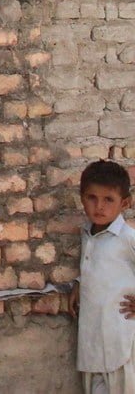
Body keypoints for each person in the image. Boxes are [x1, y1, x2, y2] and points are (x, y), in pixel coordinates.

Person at [68, 159, 135, 394]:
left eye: (109, 199)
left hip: (121, 340)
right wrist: (79, 284)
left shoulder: (128, 238)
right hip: (93, 340)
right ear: (81, 198)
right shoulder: (88, 234)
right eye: (92, 198)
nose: (99, 207)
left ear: (124, 203)